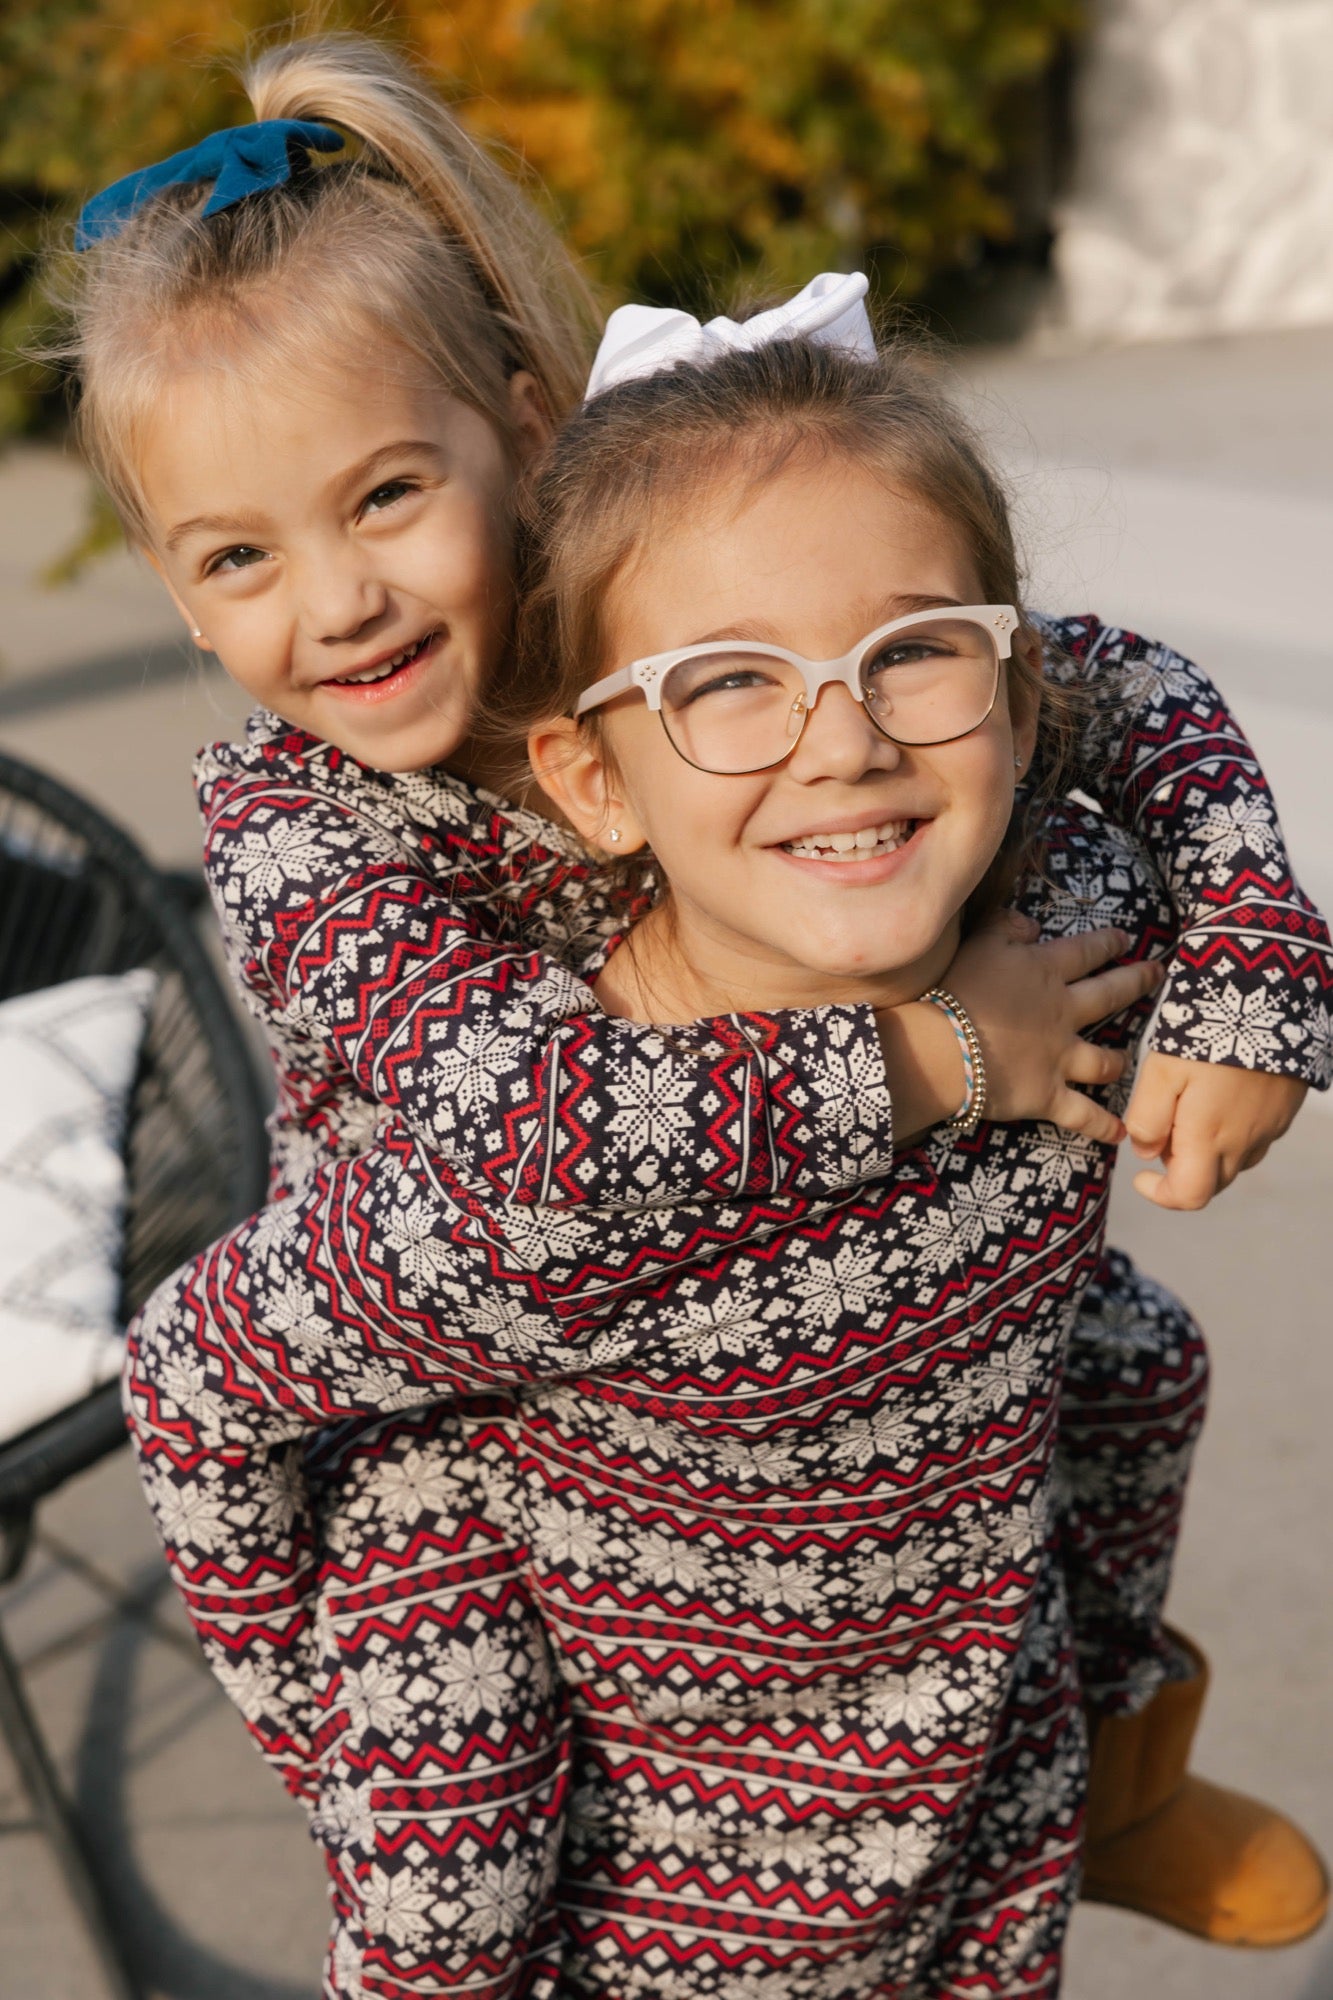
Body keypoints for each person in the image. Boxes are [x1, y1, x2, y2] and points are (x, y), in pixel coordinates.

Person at [54, 33, 1327, 1994]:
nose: (337, 603)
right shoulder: (293, 820)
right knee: (451, 1820)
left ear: (527, 425)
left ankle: (1114, 1764)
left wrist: (1251, 973)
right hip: (454, 1383)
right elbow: (549, 1125)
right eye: (237, 560)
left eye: (386, 495)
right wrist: (941, 1054)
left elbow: (1100, 682)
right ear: (179, 589)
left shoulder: (687, 607)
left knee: (1128, 1361)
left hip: (783, 1307)